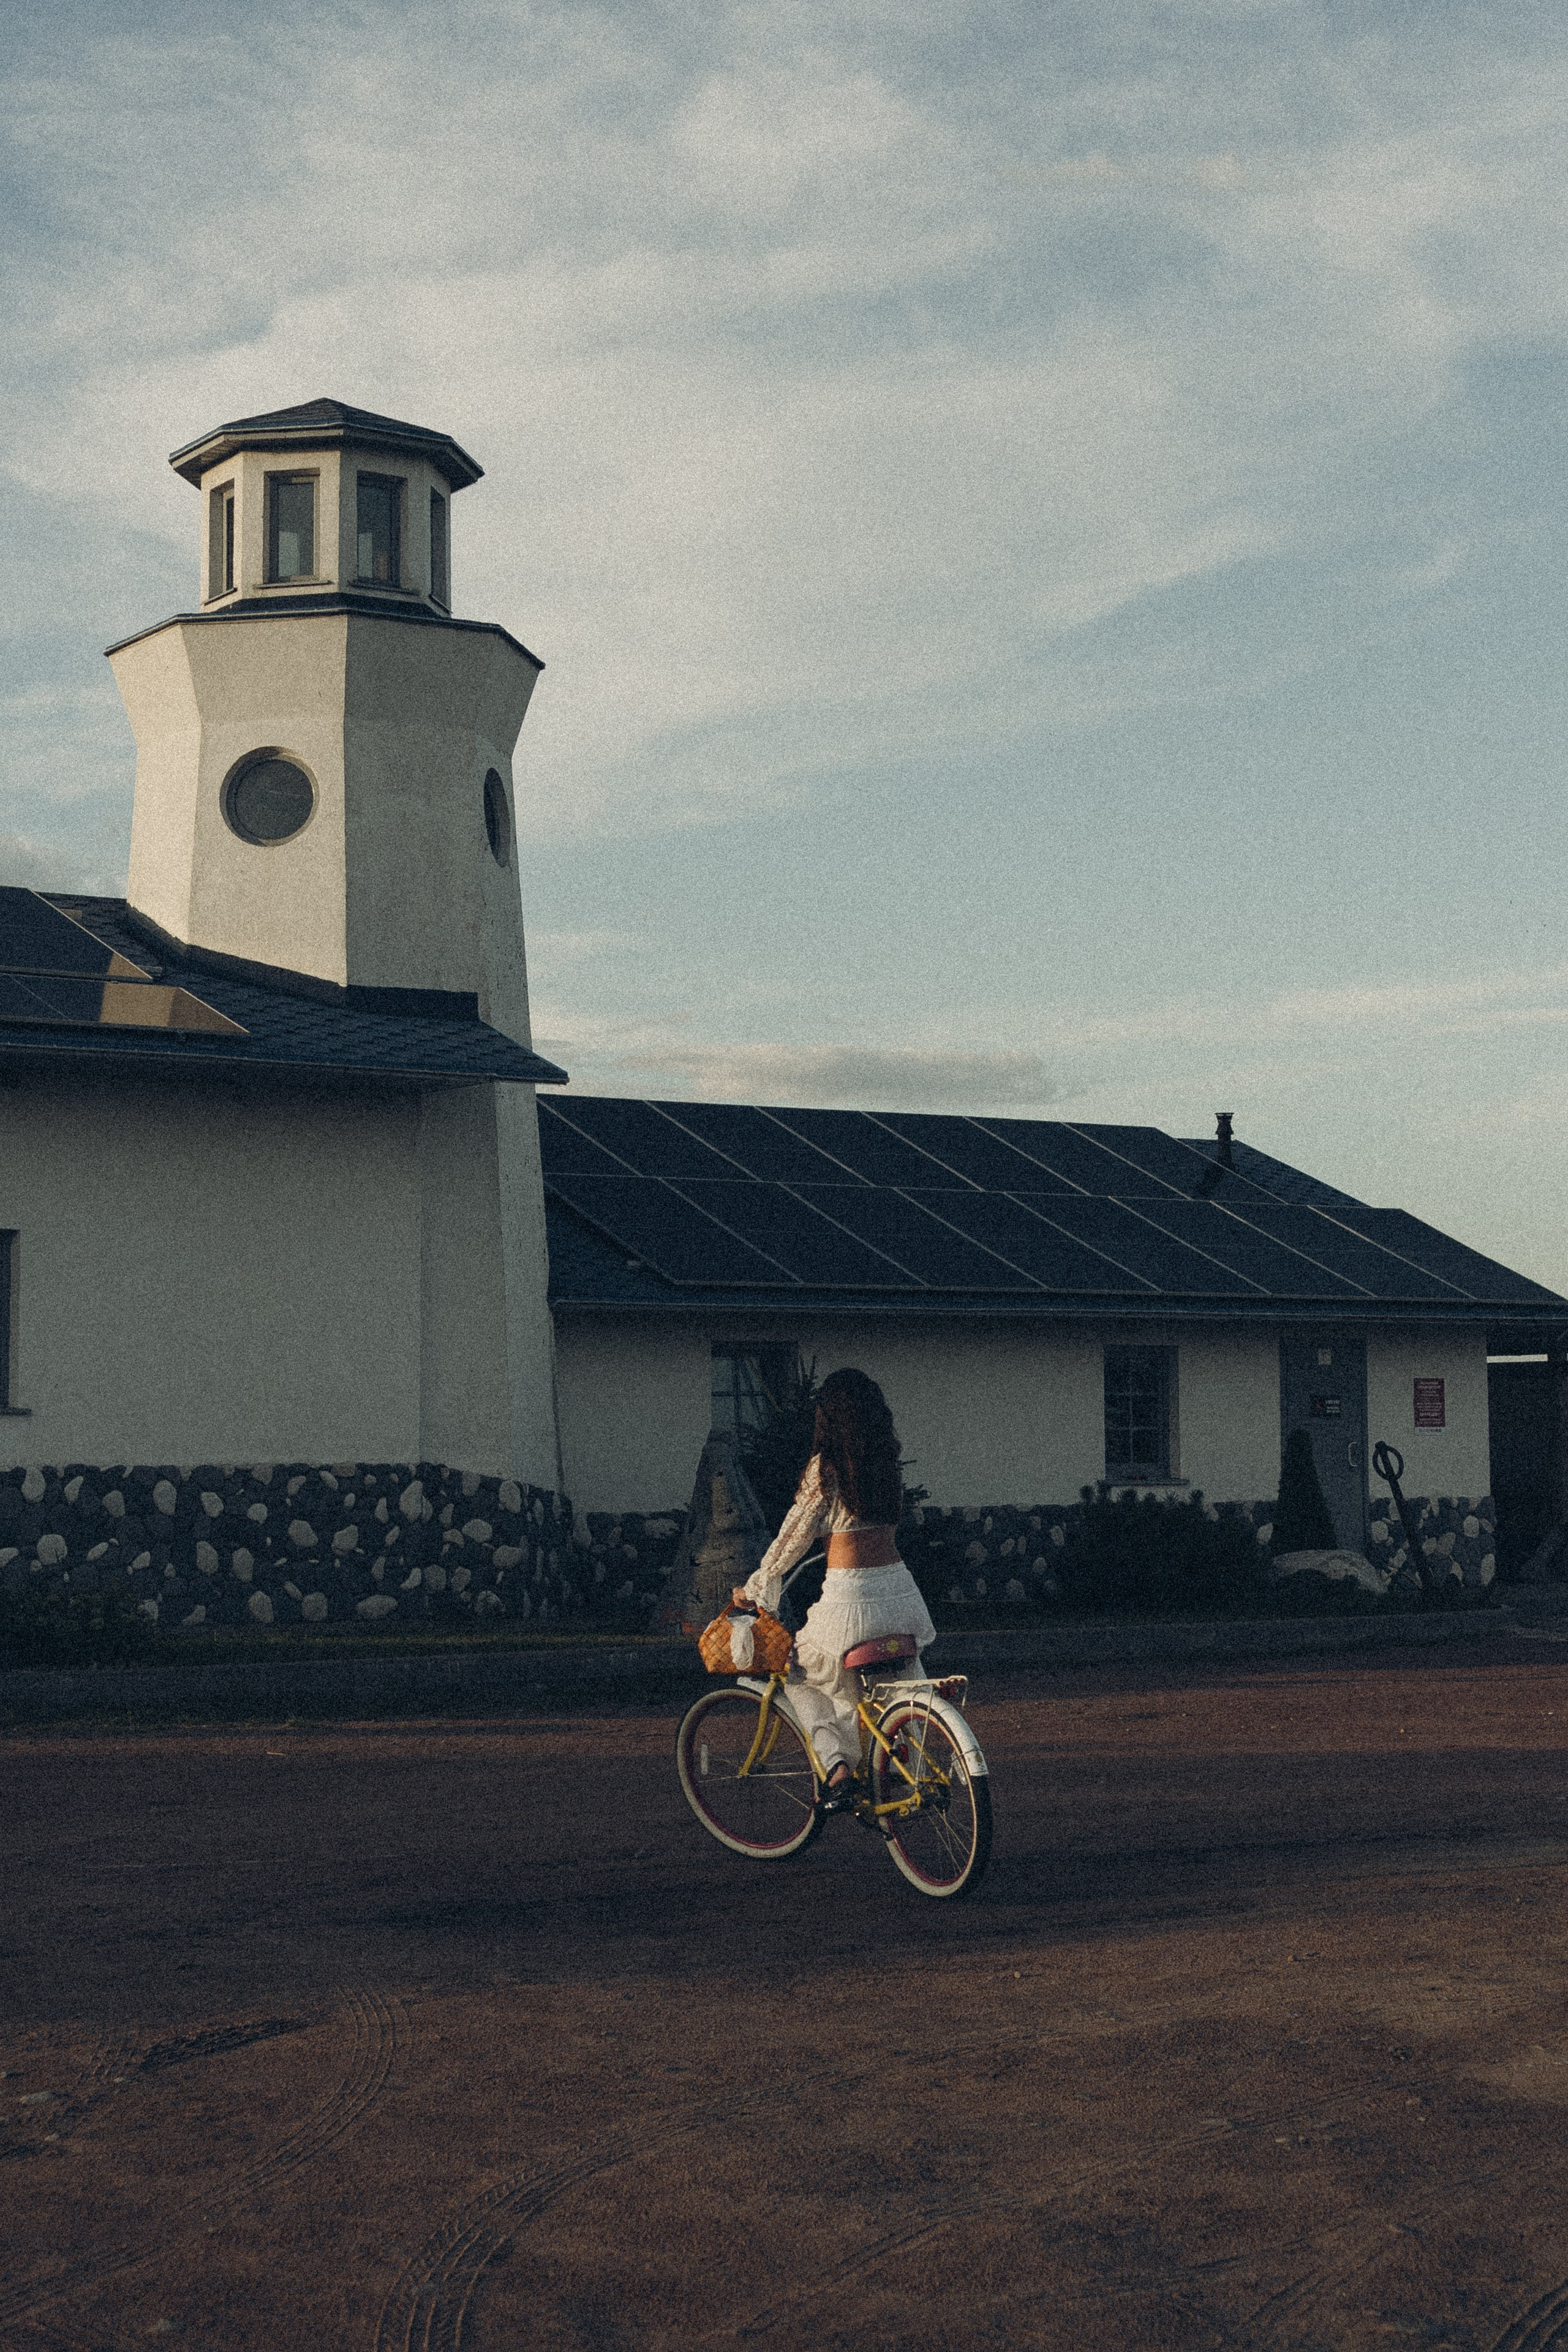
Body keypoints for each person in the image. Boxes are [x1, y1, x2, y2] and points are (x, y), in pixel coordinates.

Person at [740, 1367, 935, 1811]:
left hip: (851, 1601)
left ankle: (837, 1769)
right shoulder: (887, 1465)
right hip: (902, 1597)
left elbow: (794, 1537)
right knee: (890, 1684)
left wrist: (756, 1587)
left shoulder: (826, 1469)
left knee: (798, 1672)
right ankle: (903, 1768)